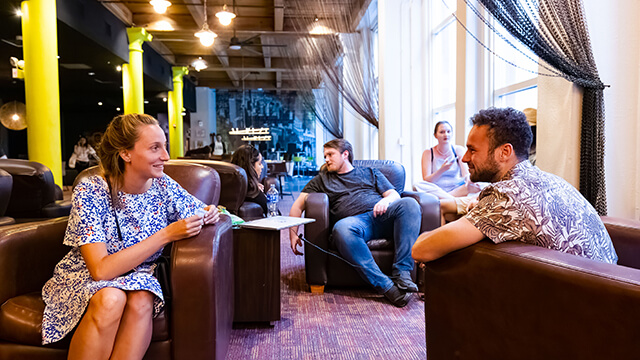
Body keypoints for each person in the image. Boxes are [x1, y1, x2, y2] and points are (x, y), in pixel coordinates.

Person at [41, 113, 221, 359]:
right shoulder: (91, 191)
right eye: (155, 148)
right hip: (85, 278)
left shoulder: (163, 185)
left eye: (164, 147)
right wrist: (167, 233)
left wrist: (209, 213)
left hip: (139, 278)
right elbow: (100, 271)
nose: (166, 157)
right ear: (125, 153)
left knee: (142, 298)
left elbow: (208, 210)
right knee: (111, 299)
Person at [412, 107, 618, 265]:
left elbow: (421, 250)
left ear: (504, 152)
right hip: (615, 297)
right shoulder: (553, 180)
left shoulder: (506, 195)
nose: (464, 158)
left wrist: (424, 236)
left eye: (472, 150)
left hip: (582, 305)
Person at [288, 139, 421, 307]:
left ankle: (402, 273)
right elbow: (297, 205)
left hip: (381, 215)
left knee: (410, 204)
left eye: (330, 154)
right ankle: (386, 287)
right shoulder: (322, 179)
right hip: (354, 224)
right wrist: (292, 233)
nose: (326, 160)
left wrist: (385, 202)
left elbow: (394, 194)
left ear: (345, 154)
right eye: (325, 156)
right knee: (342, 228)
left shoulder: (370, 172)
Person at [231, 144, 267, 215]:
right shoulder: (254, 193)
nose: (262, 167)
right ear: (251, 166)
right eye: (259, 163)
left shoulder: (226, 188)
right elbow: (273, 213)